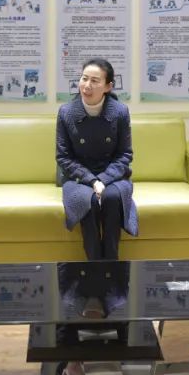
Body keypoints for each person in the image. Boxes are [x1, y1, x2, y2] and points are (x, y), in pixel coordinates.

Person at [56, 58, 138, 264]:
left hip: (113, 175)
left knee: (112, 198)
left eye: (94, 81)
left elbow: (125, 155)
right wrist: (92, 181)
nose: (87, 85)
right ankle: (95, 264)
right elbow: (63, 157)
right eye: (84, 79)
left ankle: (111, 263)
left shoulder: (120, 112)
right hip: (78, 176)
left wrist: (103, 179)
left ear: (108, 86)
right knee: (89, 201)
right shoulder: (66, 112)